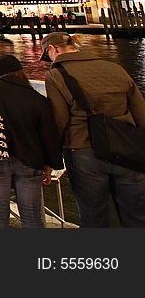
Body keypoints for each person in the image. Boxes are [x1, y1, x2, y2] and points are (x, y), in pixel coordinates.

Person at [41, 31, 145, 227]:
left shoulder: (56, 75)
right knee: (138, 214)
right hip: (126, 146)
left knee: (93, 215)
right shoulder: (115, 68)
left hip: (84, 150)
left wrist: (50, 159)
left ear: (53, 49)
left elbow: (59, 120)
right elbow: (140, 113)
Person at [0, 54, 64, 227]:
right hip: (30, 161)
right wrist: (50, 164)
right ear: (20, 71)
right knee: (31, 214)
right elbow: (48, 134)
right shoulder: (36, 98)